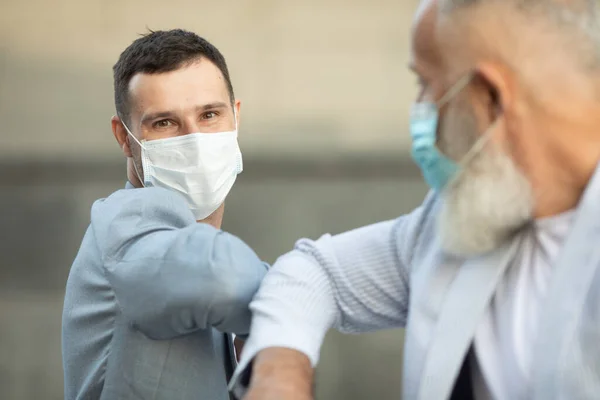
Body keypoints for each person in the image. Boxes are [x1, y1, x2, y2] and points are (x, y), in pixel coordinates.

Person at [229, 0, 600, 399]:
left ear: (490, 96)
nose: (420, 110)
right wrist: (280, 372)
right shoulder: (455, 222)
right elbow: (315, 273)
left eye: (426, 83)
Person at [62, 29, 268, 400]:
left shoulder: (185, 258)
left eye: (209, 115)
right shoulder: (129, 218)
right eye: (164, 123)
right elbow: (226, 279)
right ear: (124, 138)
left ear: (235, 118)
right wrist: (299, 291)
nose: (193, 139)